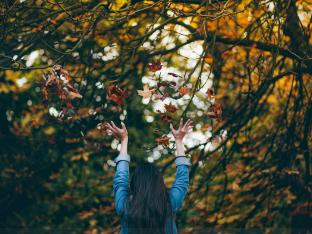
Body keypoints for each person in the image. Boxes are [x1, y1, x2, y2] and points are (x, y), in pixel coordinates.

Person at [105, 119, 193, 234]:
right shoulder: (169, 204)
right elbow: (182, 180)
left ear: (135, 183)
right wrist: (179, 141)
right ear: (159, 182)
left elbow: (120, 179)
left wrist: (124, 140)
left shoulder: (125, 206)